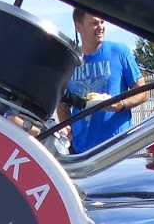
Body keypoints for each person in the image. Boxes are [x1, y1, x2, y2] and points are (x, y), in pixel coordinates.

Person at [58, 8, 148, 154]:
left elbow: (143, 93)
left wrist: (121, 104)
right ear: (79, 26)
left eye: (102, 22)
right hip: (81, 150)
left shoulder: (119, 52)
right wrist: (67, 128)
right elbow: (62, 101)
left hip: (118, 146)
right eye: (94, 23)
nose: (100, 27)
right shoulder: (70, 60)